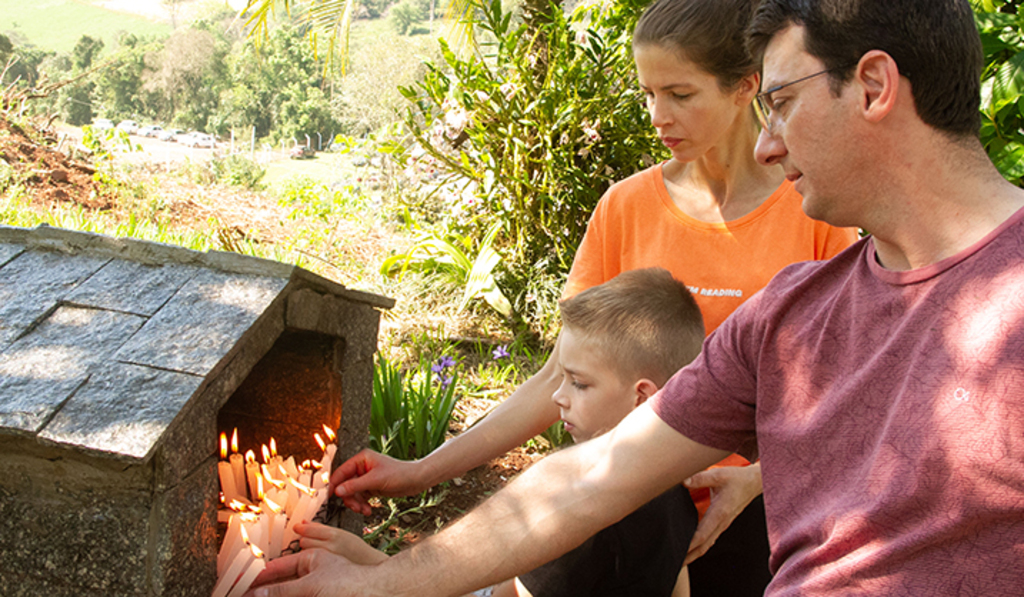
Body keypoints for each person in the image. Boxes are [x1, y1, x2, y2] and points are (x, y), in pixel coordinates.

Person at [248, 0, 1024, 595]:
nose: (766, 142)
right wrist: (385, 582)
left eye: (781, 101)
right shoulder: (793, 311)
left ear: (875, 86)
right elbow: (593, 478)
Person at [328, 1, 857, 594]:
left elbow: (842, 397)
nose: (659, 115)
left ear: (745, 87)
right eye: (648, 94)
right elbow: (560, 373)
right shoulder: (624, 209)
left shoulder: (817, 215)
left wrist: (755, 481)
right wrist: (421, 472)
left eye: (680, 94)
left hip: (756, 521)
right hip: (622, 509)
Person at [296, 268, 706, 597]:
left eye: (578, 383)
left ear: (642, 398)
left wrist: (369, 564)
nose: (559, 397)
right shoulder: (673, 489)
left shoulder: (579, 519)